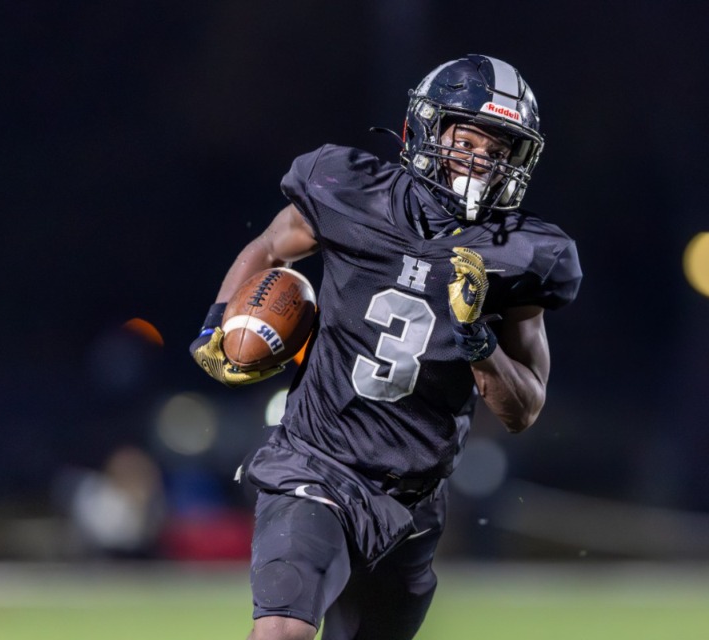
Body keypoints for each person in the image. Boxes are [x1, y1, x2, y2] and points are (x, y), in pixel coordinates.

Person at [190, 54, 582, 640]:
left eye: (498, 151)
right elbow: (272, 247)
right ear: (426, 130)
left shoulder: (522, 254)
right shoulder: (351, 190)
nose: (481, 162)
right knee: (282, 631)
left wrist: (479, 341)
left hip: (411, 501)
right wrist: (218, 323)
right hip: (316, 462)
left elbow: (522, 409)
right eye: (468, 139)